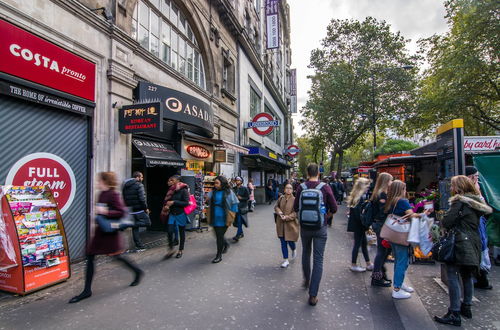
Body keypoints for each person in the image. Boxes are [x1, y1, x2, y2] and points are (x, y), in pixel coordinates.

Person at [69, 172, 143, 303]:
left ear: (105, 181)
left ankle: (137, 271)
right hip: (100, 232)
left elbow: (121, 211)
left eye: (100, 180)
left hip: (110, 234)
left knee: (117, 256)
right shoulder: (102, 194)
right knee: (90, 256)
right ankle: (87, 290)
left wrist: (105, 212)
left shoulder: (113, 194)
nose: (98, 183)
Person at [434, 175, 492, 326]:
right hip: (473, 240)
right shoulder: (476, 203)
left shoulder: (459, 202)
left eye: (453, 186)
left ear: (459, 187)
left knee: (452, 274)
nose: (451, 188)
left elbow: (447, 221)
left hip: (459, 241)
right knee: (467, 274)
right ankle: (467, 306)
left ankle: (454, 312)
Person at [294, 163, 338, 306]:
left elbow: (296, 207)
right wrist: (326, 217)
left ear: (307, 173)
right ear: (318, 173)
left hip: (305, 227)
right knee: (318, 259)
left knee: (306, 253)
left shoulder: (301, 187)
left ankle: (306, 279)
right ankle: (313, 295)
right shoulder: (325, 187)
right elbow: (334, 207)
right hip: (320, 228)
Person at [384, 180, 430, 299]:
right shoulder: (402, 201)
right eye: (404, 188)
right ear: (401, 189)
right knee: (402, 261)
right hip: (401, 234)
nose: (406, 191)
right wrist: (424, 213)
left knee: (399, 260)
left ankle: (399, 283)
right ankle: (397, 288)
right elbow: (411, 215)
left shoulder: (391, 200)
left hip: (393, 234)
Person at [466, 165, 492, 290]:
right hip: (475, 225)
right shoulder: (473, 190)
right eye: (475, 176)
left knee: (480, 247)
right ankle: (481, 278)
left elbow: (484, 209)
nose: (477, 178)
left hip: (476, 225)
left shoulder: (476, 188)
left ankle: (481, 278)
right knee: (479, 247)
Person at [206, 176, 239, 263]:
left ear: (222, 183)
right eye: (214, 183)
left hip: (224, 217)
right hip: (214, 216)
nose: (215, 185)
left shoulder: (229, 192)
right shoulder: (213, 192)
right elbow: (208, 200)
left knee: (219, 236)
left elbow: (234, 203)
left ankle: (218, 255)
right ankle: (226, 244)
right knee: (218, 235)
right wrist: (207, 199)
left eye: (217, 183)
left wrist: (232, 215)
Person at [370, 172, 394, 287]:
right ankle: (377, 277)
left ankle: (380, 272)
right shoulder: (382, 195)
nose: (392, 182)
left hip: (378, 225)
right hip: (382, 226)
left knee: (384, 250)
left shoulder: (377, 193)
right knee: (382, 251)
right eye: (390, 180)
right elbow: (384, 211)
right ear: (386, 182)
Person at [346, 178, 373, 272]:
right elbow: (359, 215)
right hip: (359, 225)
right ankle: (354, 264)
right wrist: (366, 225)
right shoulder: (360, 198)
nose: (368, 188)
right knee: (357, 244)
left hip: (357, 224)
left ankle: (368, 263)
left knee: (363, 243)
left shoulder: (357, 197)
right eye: (367, 186)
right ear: (362, 186)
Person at [160, 175, 190, 259]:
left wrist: (174, 202)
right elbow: (167, 201)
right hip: (172, 214)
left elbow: (186, 203)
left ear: (178, 181)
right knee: (169, 231)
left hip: (181, 214)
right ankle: (171, 249)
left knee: (181, 232)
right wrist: (167, 206)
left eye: (172, 180)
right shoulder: (171, 190)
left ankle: (181, 250)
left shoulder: (184, 190)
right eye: (169, 180)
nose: (169, 182)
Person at [122, 171, 150, 251]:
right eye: (141, 177)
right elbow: (142, 198)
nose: (142, 178)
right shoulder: (139, 185)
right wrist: (146, 208)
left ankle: (139, 246)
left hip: (130, 210)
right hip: (139, 210)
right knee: (147, 222)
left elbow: (124, 198)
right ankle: (130, 224)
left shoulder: (125, 185)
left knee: (135, 228)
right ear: (137, 177)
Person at [274, 183, 299, 268]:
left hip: (290, 225)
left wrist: (287, 217)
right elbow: (276, 207)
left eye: (290, 188)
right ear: (284, 189)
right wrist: (280, 212)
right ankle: (285, 260)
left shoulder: (295, 200)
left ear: (292, 190)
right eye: (287, 188)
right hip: (280, 224)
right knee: (283, 242)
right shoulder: (281, 198)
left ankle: (293, 248)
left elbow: (296, 212)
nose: (288, 189)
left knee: (290, 241)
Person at [233, 177, 250, 242]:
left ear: (241, 181)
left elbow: (248, 198)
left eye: (238, 180)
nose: (237, 181)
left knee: (240, 221)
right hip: (235, 207)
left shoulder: (245, 188)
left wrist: (241, 198)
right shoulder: (233, 189)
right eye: (236, 180)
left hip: (242, 207)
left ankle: (238, 235)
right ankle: (241, 233)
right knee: (237, 222)